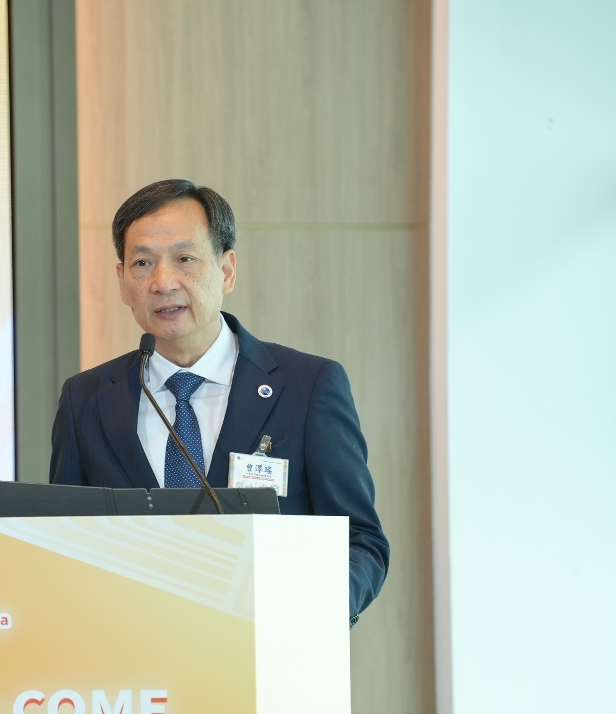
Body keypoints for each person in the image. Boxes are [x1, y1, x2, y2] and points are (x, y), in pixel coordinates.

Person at [50, 179, 389, 624]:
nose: (162, 282)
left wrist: (312, 612)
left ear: (226, 270)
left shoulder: (307, 387)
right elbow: (60, 544)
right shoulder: (86, 399)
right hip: (132, 655)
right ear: (122, 283)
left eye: (185, 259)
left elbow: (359, 541)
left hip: (267, 648)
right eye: (142, 263)